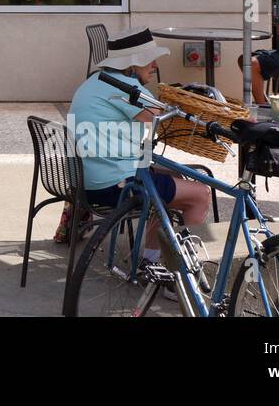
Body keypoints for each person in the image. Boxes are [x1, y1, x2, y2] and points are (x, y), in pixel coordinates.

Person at [68, 29, 212, 251]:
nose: (154, 65)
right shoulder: (126, 88)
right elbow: (161, 117)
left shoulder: (95, 80)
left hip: (84, 181)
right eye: (148, 60)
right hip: (111, 185)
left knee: (171, 176)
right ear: (131, 65)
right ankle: (177, 267)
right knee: (200, 194)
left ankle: (152, 258)